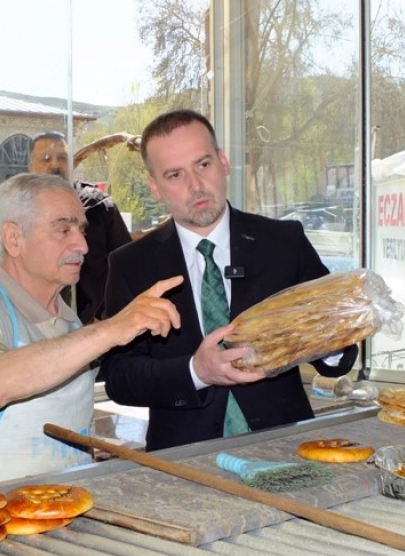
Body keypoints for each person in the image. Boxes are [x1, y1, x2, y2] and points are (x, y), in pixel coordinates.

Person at [99, 109, 359, 452]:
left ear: (223, 162)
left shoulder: (284, 243)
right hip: (184, 460)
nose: (195, 185)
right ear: (155, 187)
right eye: (175, 174)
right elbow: (119, 378)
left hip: (285, 450)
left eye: (203, 164)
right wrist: (195, 371)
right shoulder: (131, 265)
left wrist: (328, 339)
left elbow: (338, 355)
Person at [0, 173, 180, 489]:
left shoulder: (70, 321)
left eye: (81, 230)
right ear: (14, 239)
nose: (82, 245)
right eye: (63, 229)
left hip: (66, 502)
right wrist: (111, 329)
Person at [0, 131, 132, 324]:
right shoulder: (12, 211)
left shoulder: (98, 206)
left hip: (94, 328)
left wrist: (107, 318)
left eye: (62, 158)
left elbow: (128, 267)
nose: (55, 165)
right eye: (46, 159)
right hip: (32, 329)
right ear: (31, 167)